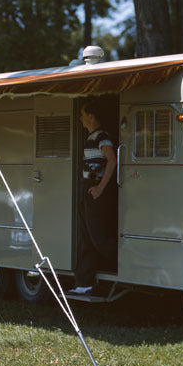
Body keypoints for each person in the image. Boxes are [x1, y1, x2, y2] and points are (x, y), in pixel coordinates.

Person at [70, 100, 117, 295]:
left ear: (91, 116)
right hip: (87, 188)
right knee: (87, 237)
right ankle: (84, 283)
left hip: (94, 190)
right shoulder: (91, 137)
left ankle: (128, 261)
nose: (80, 118)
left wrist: (99, 188)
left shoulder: (101, 136)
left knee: (98, 238)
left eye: (82, 114)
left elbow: (112, 160)